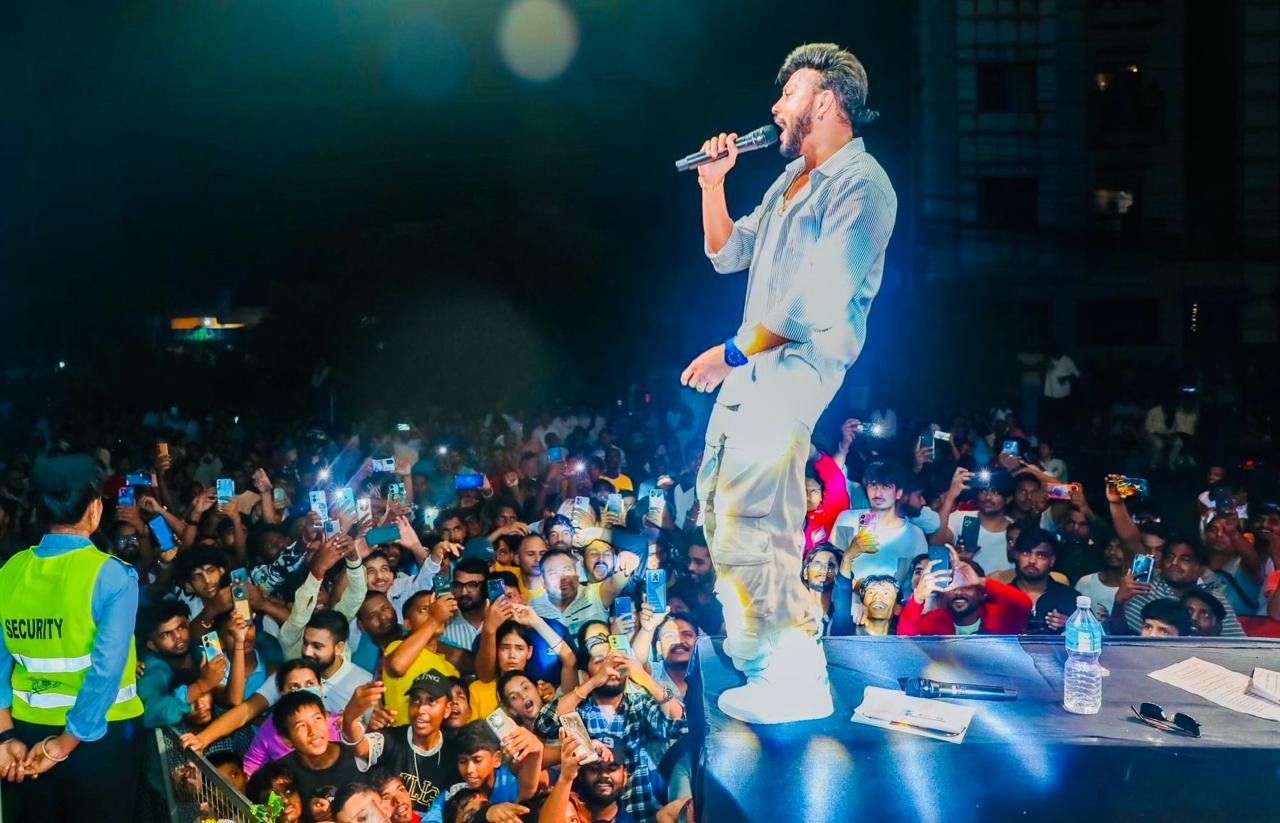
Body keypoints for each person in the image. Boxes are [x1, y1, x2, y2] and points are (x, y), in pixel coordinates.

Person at [677, 42, 897, 723]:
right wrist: (714, 185)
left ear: (825, 102)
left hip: (794, 366)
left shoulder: (862, 185)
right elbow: (726, 255)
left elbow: (819, 298)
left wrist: (731, 352)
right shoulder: (789, 180)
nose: (775, 107)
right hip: (756, 366)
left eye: (789, 94)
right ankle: (760, 654)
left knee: (756, 519)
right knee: (720, 506)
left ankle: (793, 676)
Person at [0, 454, 146, 821]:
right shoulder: (113, 575)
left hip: (25, 733)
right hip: (101, 737)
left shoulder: (10, 572)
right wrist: (61, 746)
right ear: (95, 509)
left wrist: (5, 736)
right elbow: (106, 671)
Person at [537, 645, 686, 822]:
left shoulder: (638, 704)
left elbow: (678, 723)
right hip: (585, 815)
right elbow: (544, 722)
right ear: (586, 675)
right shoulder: (579, 708)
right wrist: (592, 683)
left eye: (616, 662)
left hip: (638, 811)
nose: (610, 668)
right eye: (601, 662)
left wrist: (644, 677)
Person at [349, 672, 462, 817]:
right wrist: (349, 718)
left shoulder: (454, 753)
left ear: (447, 709)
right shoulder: (391, 739)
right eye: (415, 701)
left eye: (431, 701)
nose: (421, 710)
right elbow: (359, 747)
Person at [1114, 537, 1245, 636]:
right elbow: (1119, 636)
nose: (1174, 563)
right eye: (1169, 557)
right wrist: (1119, 602)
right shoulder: (1143, 584)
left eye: (1184, 559)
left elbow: (1239, 645)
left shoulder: (1214, 598)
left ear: (1201, 568)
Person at [897, 551, 1032, 636]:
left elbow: (1024, 604)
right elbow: (905, 639)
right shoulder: (935, 620)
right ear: (943, 593)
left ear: (981, 593)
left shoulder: (999, 616)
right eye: (953, 585)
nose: (959, 591)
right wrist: (918, 598)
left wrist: (981, 581)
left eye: (967, 586)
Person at [931, 468, 1016, 575]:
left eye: (995, 492)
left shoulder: (1015, 531)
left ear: (1008, 499)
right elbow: (935, 543)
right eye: (983, 491)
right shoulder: (962, 518)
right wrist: (950, 497)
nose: (988, 497)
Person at [1009, 528, 1081, 635]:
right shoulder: (1000, 597)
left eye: (1041, 555)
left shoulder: (1071, 598)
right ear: (1016, 555)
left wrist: (1071, 626)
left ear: (1052, 560)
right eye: (1025, 553)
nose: (1032, 561)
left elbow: (1093, 637)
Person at [1073, 537, 1128, 622]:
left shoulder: (1135, 586)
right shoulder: (1085, 582)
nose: (1112, 552)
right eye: (1109, 547)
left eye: (1119, 547)